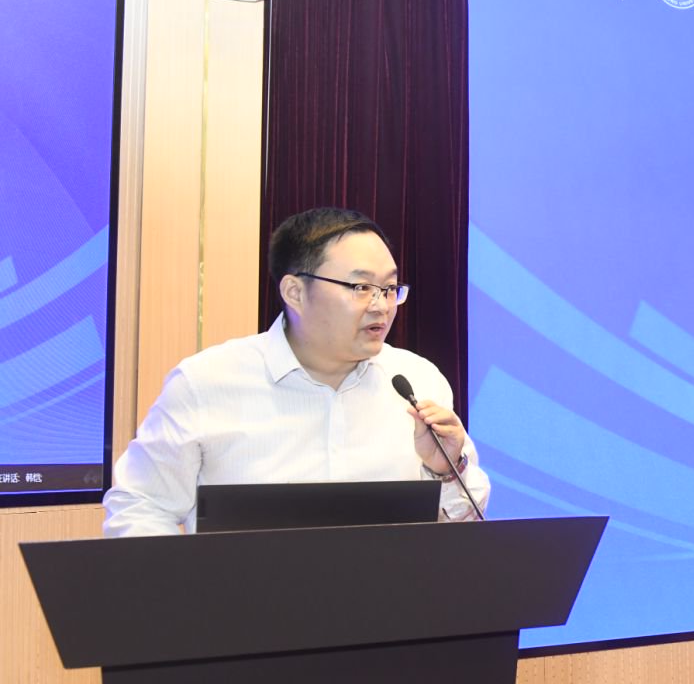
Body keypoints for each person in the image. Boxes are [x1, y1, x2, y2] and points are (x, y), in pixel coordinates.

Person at [103, 207, 489, 535]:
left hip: (394, 599)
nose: (381, 306)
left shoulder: (418, 380)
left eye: (389, 288)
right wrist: (184, 588)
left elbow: (465, 524)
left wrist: (446, 469)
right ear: (295, 292)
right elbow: (140, 506)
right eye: (360, 287)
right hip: (243, 601)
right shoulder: (205, 383)